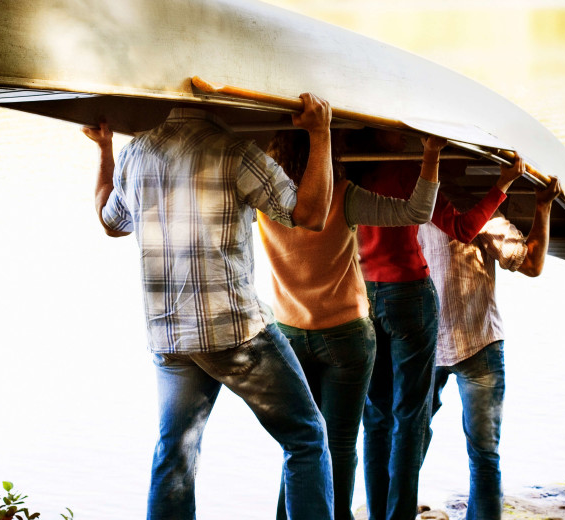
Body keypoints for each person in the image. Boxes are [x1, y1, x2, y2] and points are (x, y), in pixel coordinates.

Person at [82, 94, 336, 520]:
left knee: (175, 452)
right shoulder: (236, 152)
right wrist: (320, 132)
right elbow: (311, 213)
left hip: (170, 337)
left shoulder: (135, 153)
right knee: (307, 438)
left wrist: (105, 151)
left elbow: (110, 222)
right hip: (233, 334)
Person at [260, 129, 445, 520]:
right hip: (345, 335)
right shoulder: (342, 195)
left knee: (300, 443)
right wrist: (430, 155)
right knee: (340, 443)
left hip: (289, 334)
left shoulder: (262, 200)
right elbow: (417, 212)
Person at [351, 130, 526, 520]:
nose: (403, 134)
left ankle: (377, 514)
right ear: (386, 136)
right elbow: (463, 229)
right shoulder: (410, 173)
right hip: (408, 295)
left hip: (365, 296)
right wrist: (501, 185)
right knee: (410, 418)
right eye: (398, 130)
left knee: (376, 417)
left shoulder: (351, 172)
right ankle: (399, 516)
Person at [417, 172, 562, 520]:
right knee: (484, 454)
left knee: (406, 440)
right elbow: (532, 263)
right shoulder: (477, 210)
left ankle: (394, 508)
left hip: (423, 345)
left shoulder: (407, 207)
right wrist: (543, 206)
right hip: (478, 341)